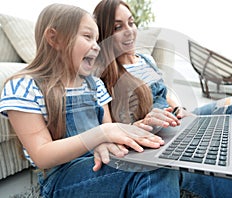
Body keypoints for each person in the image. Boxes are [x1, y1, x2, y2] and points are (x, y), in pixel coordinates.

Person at [93, 0, 232, 198]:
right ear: (105, 35)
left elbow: (164, 93)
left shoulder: (146, 59)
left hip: (179, 119)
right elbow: (113, 130)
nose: (129, 31)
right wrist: (147, 125)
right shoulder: (105, 75)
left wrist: (179, 108)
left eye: (131, 22)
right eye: (118, 27)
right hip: (156, 134)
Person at [0, 3, 184, 198]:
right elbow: (42, 155)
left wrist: (137, 128)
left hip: (101, 162)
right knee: (150, 171)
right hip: (61, 179)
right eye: (88, 37)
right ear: (54, 38)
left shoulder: (94, 84)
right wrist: (102, 134)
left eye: (97, 40)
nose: (97, 46)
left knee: (159, 158)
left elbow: (109, 131)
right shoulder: (24, 86)